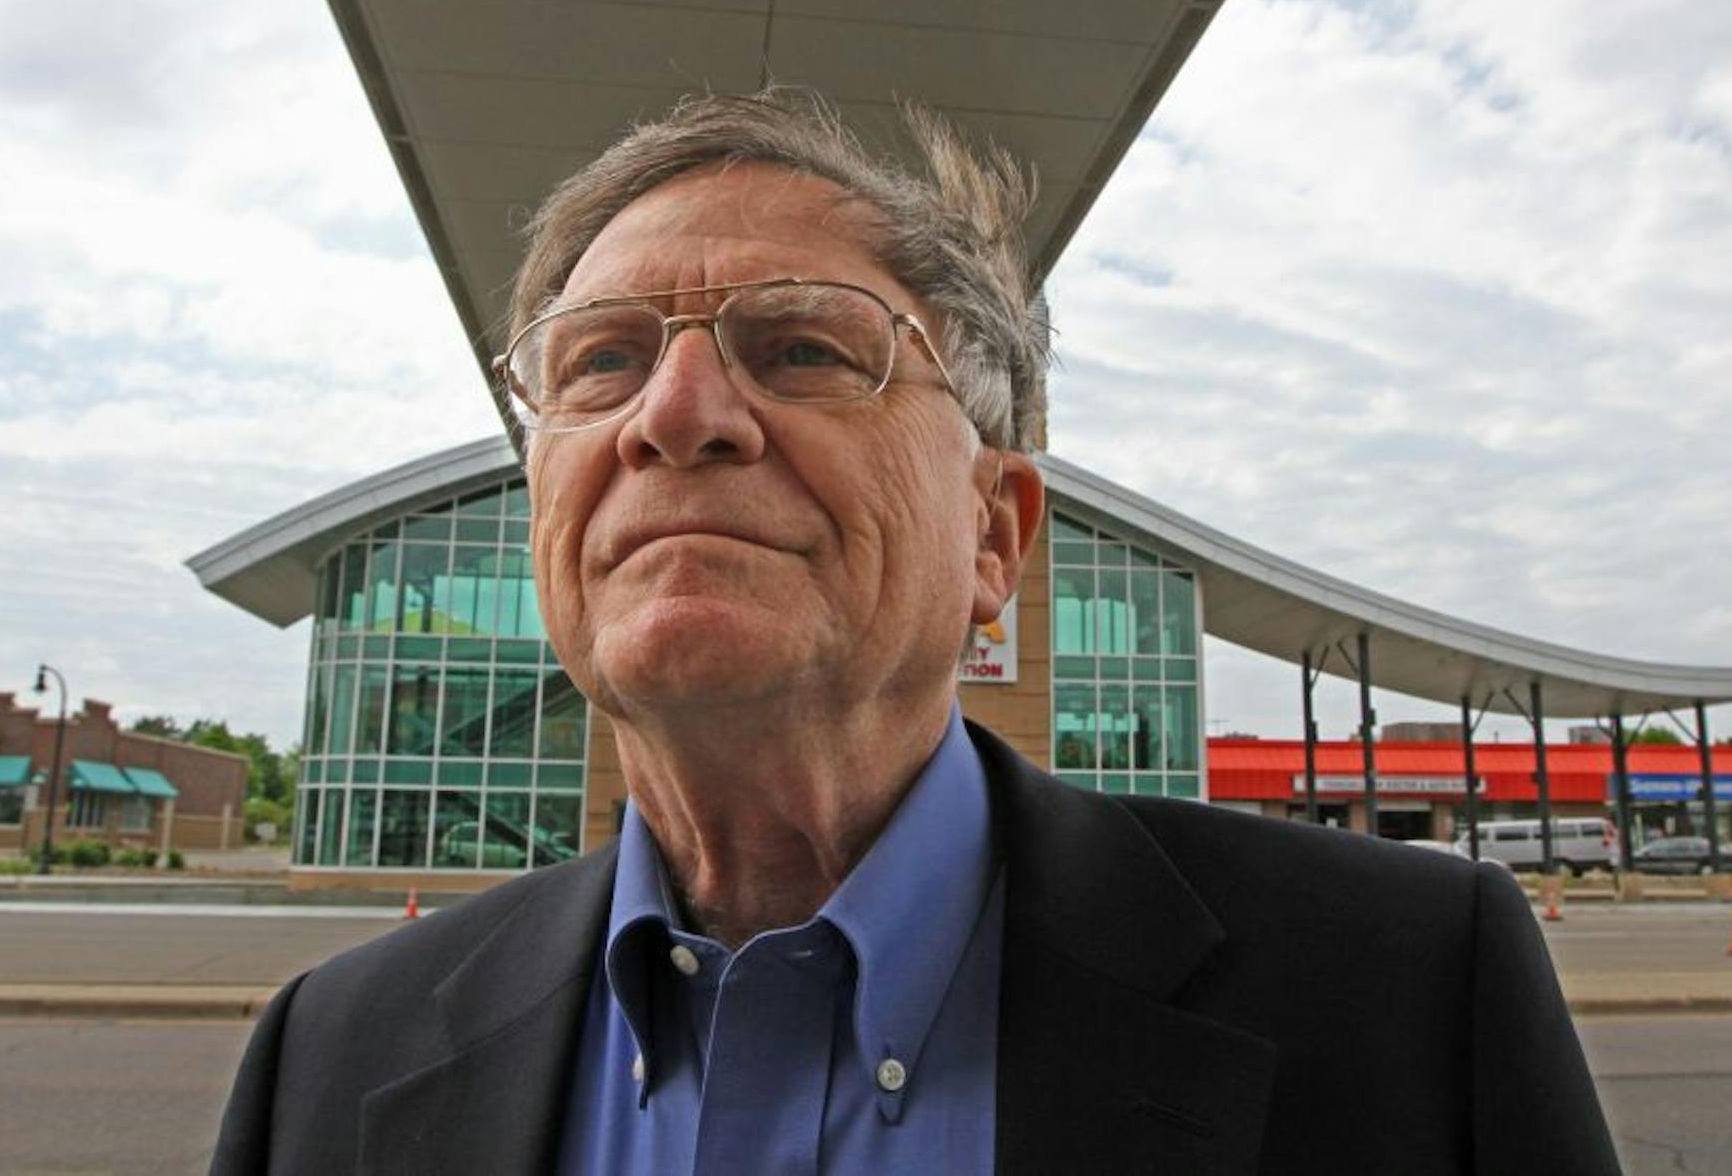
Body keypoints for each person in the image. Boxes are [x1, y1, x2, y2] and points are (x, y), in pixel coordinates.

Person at [210, 89, 1619, 1174]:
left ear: (994, 532)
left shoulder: (1403, 991)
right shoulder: (327, 1057)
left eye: (803, 347)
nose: (673, 414)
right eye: (602, 361)